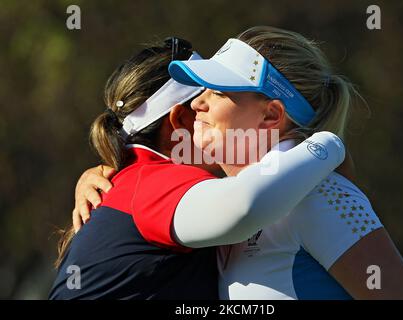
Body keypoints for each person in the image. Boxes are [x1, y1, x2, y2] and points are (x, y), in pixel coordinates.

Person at [50, 37, 346, 299]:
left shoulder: (133, 180)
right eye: (204, 95)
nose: (204, 105)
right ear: (179, 121)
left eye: (217, 92)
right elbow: (243, 208)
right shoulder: (156, 181)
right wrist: (328, 144)